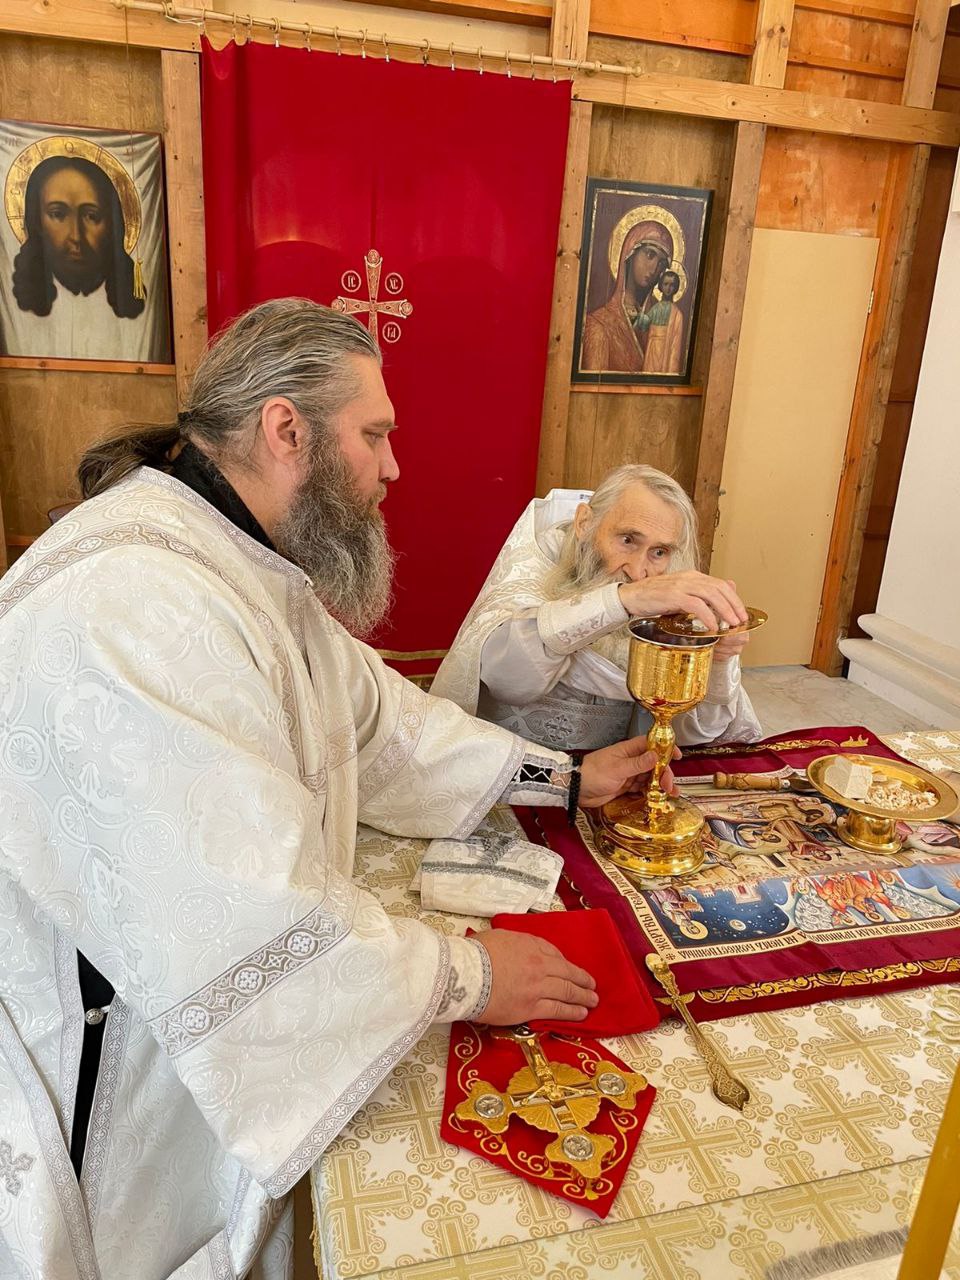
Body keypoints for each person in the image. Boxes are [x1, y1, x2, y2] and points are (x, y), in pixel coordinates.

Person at [0, 299, 667, 1279]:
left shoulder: (232, 558)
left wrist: (564, 779)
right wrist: (472, 975)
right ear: (286, 430)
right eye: (375, 434)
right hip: (115, 1070)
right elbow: (244, 915)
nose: (393, 467)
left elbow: (387, 726)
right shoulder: (140, 605)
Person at [431, 464, 762, 752]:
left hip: (611, 780)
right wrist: (624, 600)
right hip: (508, 771)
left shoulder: (664, 598)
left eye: (659, 552)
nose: (638, 571)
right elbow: (509, 680)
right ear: (584, 523)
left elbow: (694, 737)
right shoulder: (536, 563)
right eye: (628, 540)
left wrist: (717, 662)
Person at [1, 153, 163, 361]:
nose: (76, 236)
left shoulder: (141, 324)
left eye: (91, 216)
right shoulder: (11, 318)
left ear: (112, 225)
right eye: (58, 214)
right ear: (36, 222)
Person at [580, 219, 673, 374]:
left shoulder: (661, 323)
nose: (654, 269)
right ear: (630, 253)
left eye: (662, 264)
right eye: (650, 254)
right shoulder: (598, 325)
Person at [636, 268, 685, 375]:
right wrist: (639, 316)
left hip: (665, 352)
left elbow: (675, 346)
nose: (668, 288)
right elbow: (644, 325)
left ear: (676, 288)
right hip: (652, 349)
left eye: (672, 285)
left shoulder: (677, 314)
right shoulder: (655, 308)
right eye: (665, 284)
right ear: (661, 286)